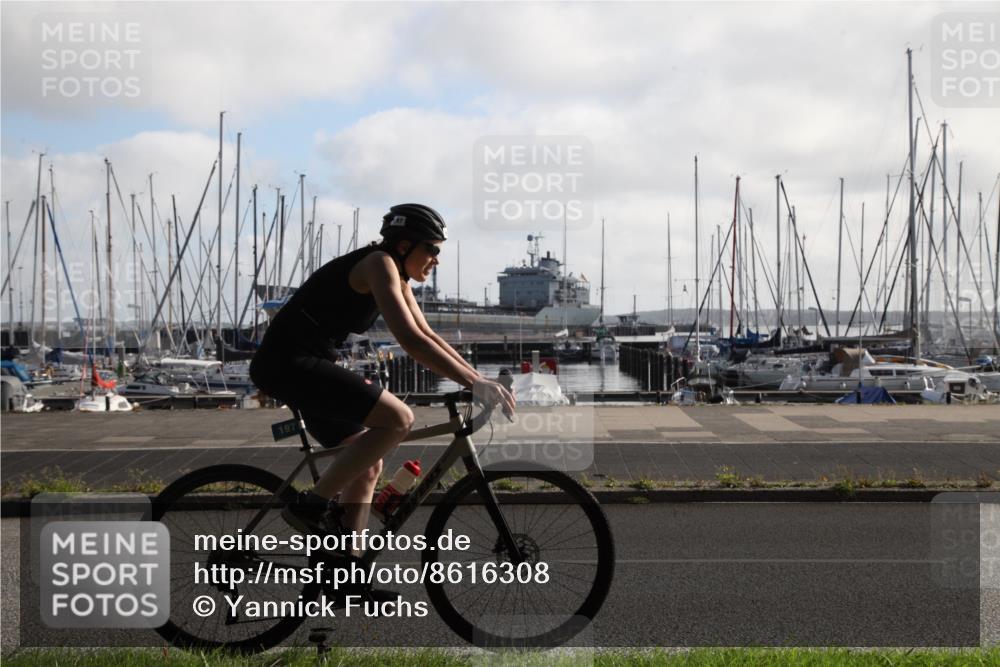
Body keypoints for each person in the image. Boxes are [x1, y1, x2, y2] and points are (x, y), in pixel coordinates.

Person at [249, 203, 516, 539]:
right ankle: (310, 506)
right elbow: (409, 341)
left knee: (367, 466)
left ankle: (348, 572)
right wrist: (475, 382)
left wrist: (479, 378)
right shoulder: (378, 264)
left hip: (308, 364)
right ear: (404, 245)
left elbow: (427, 335)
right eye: (432, 249)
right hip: (287, 363)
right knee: (399, 419)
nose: (437, 259)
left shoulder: (397, 274)